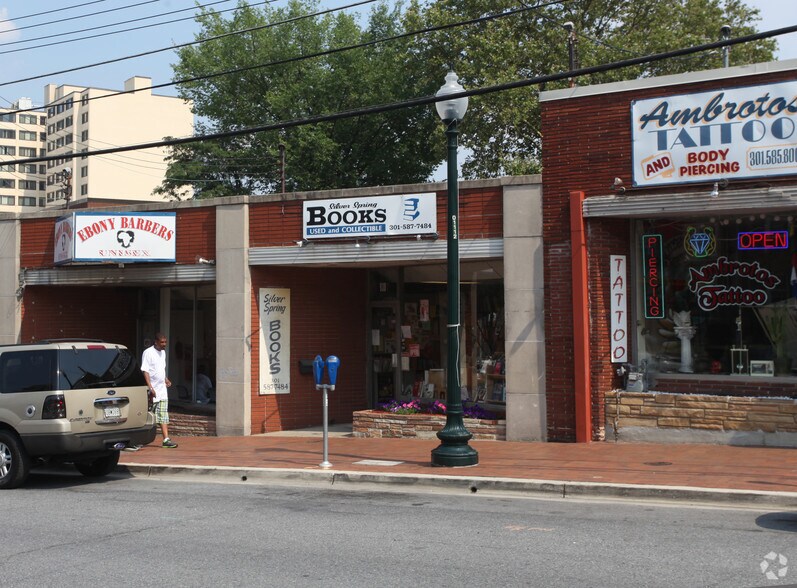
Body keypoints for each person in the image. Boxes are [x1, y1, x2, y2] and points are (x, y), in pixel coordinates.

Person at [141, 332, 178, 448]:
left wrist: (166, 379)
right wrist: (150, 387)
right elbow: (145, 370)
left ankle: (166, 439)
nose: (164, 344)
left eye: (165, 342)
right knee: (146, 416)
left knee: (163, 415)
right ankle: (138, 439)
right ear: (156, 342)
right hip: (153, 391)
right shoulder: (148, 353)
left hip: (162, 391)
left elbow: (161, 369)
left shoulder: (163, 353)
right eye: (162, 342)